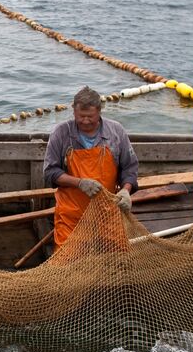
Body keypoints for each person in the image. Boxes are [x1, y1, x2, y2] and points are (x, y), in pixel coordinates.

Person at [43, 87, 139, 247]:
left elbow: (129, 167)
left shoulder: (116, 132)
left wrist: (126, 190)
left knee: (118, 257)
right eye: (81, 116)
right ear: (73, 111)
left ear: (100, 111)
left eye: (90, 116)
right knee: (66, 260)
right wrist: (80, 183)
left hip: (107, 212)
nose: (85, 121)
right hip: (72, 215)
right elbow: (50, 173)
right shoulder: (61, 133)